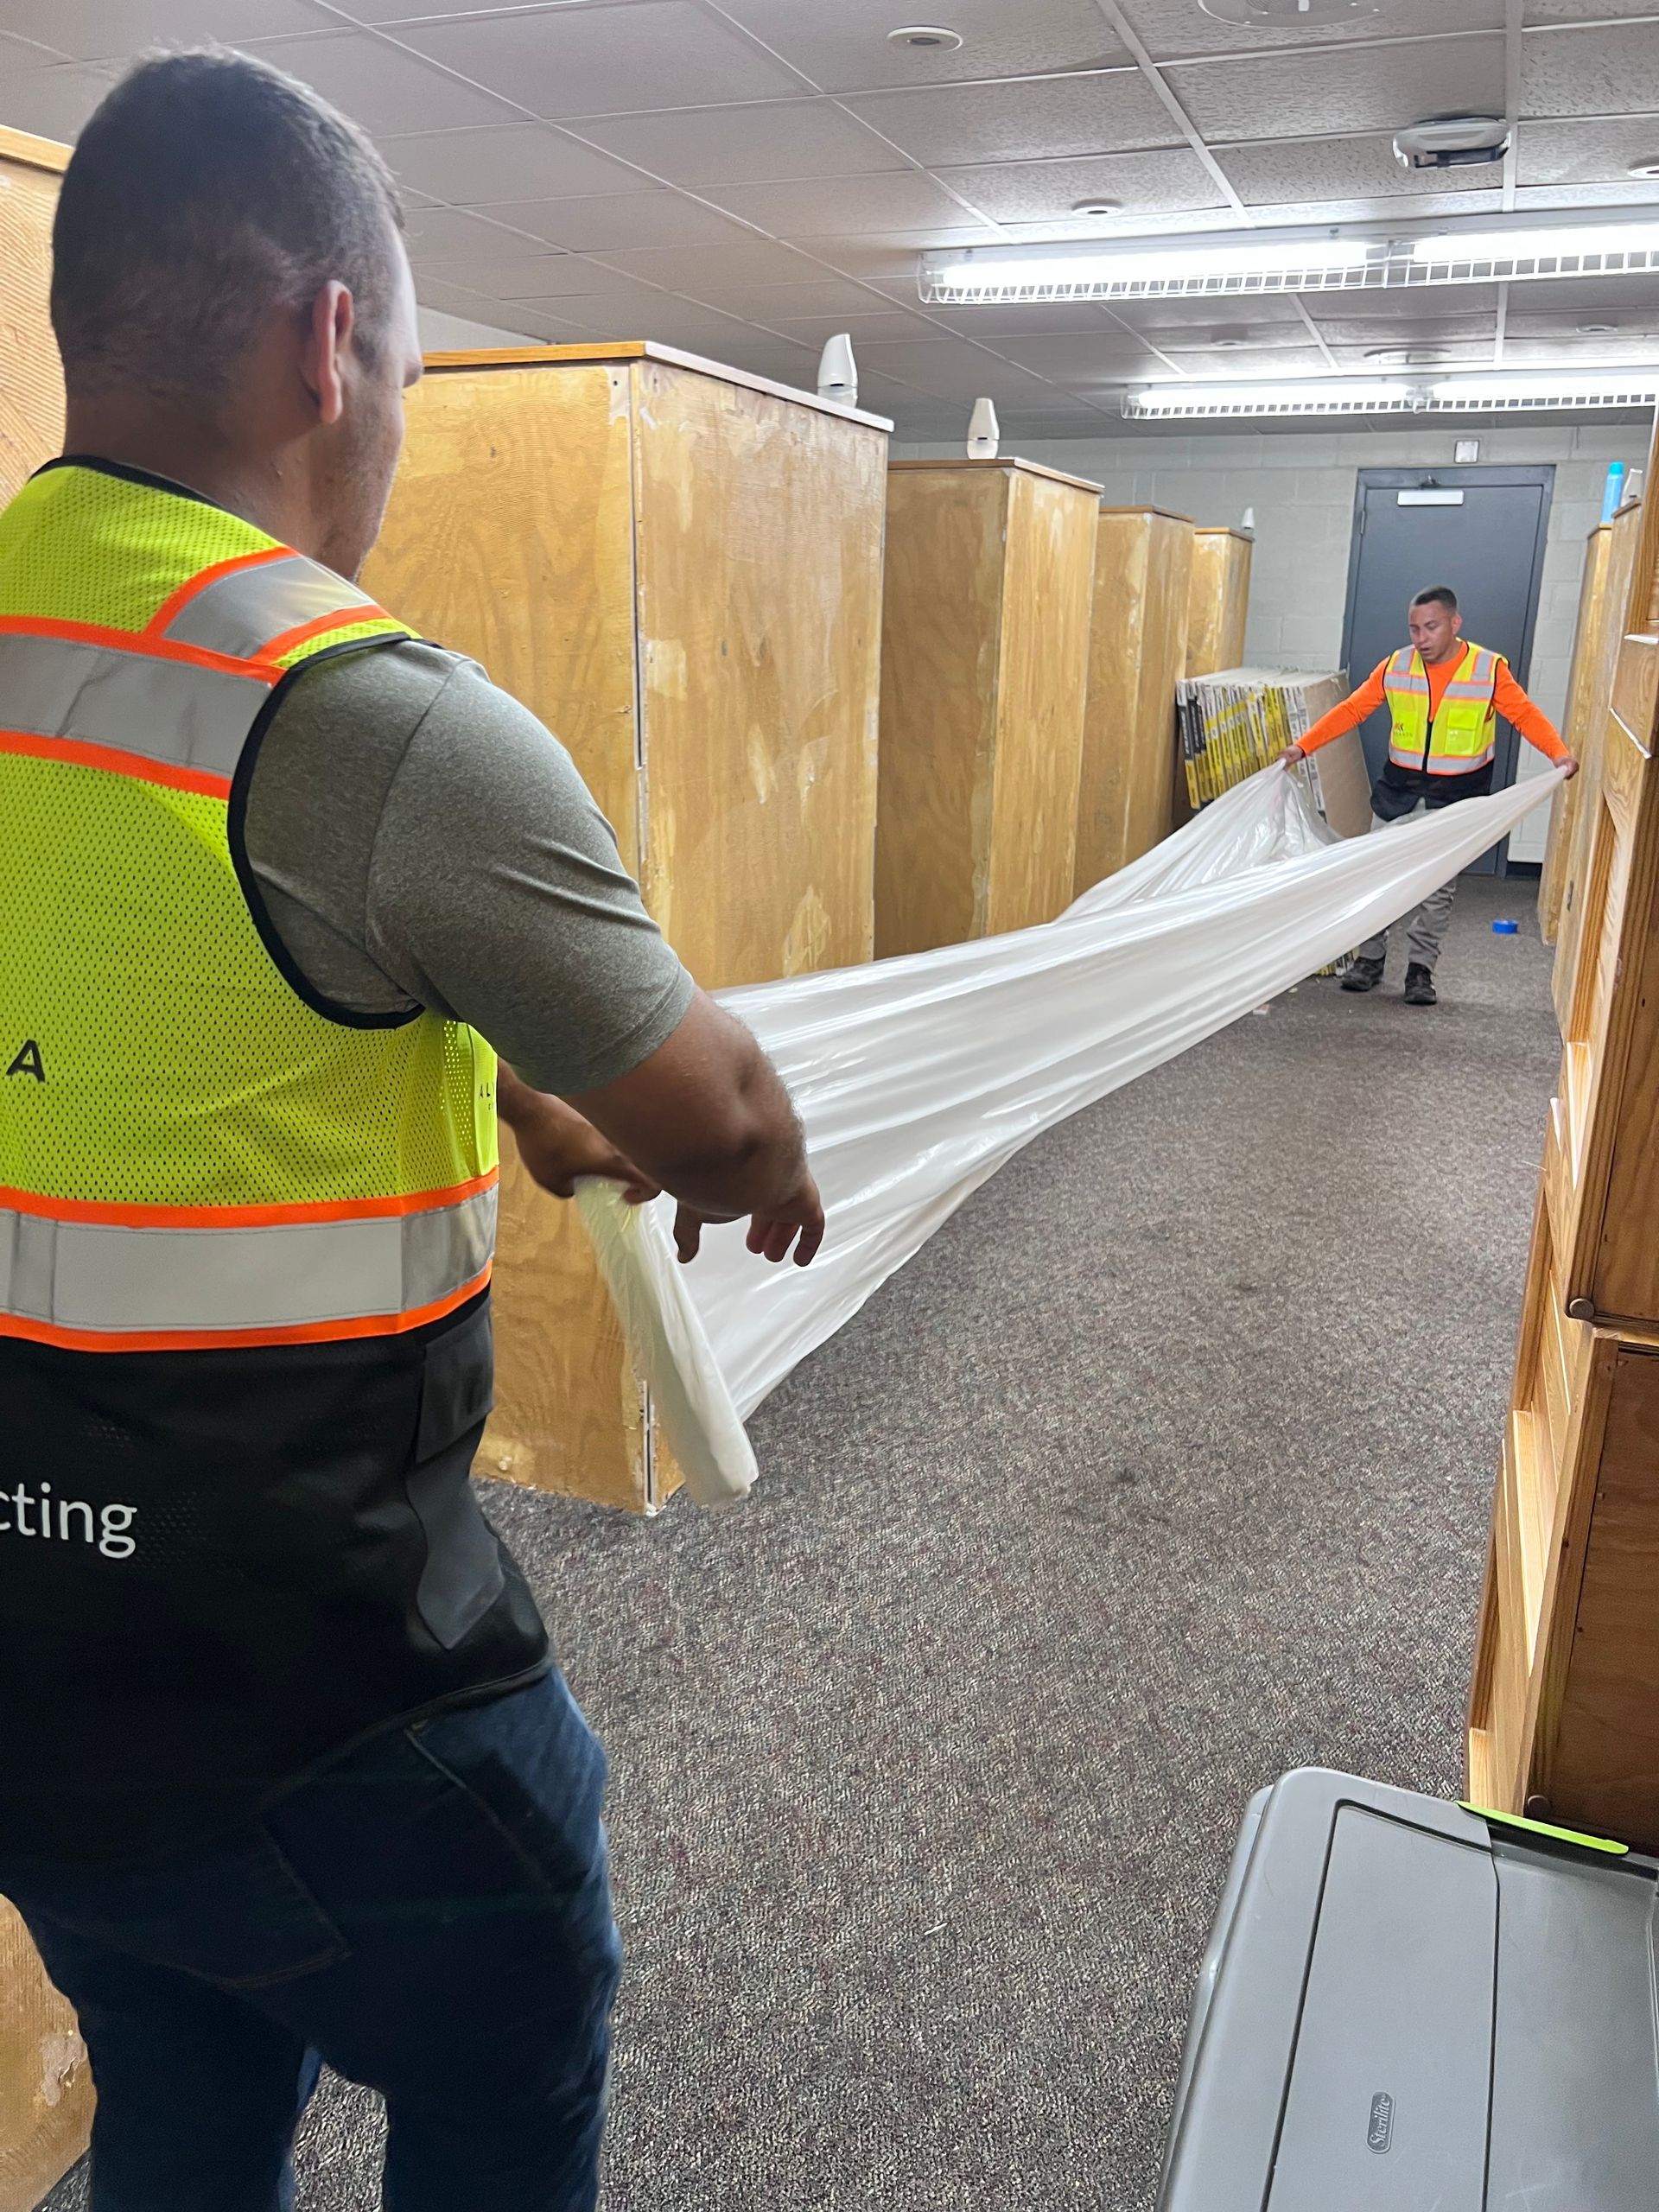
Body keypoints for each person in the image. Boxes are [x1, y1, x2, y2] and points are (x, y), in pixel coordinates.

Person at [0, 48, 823, 2212]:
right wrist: (730, 1145)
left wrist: (493, 1078)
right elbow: (722, 1113)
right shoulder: (356, 713)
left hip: (31, 1671)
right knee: (511, 2057)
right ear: (331, 340)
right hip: (317, 1693)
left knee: (176, 2092)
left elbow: (127, 1036)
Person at [1283, 584, 1575, 1006]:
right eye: (1414, 629)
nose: (1420, 638)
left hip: (1455, 797)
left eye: (1431, 627)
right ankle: (1370, 959)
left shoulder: (1488, 669)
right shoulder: (1396, 666)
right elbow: (1352, 709)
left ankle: (1420, 971)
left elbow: (1524, 714)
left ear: (1455, 624)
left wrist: (1559, 754)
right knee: (1374, 874)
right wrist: (1302, 747)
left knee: (1438, 889)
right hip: (1398, 791)